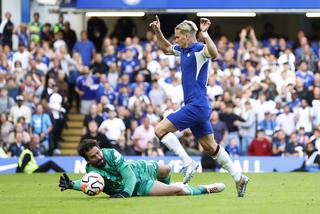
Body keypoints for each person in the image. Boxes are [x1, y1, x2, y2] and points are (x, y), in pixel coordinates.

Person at [149, 16, 249, 196]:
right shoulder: (183, 50)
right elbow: (165, 48)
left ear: (188, 36)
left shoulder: (199, 49)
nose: (175, 40)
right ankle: (238, 177)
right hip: (198, 107)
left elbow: (214, 53)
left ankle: (188, 163)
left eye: (178, 37)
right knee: (210, 147)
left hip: (196, 106)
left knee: (160, 130)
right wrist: (157, 31)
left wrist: (205, 34)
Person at [58, 139, 225, 198]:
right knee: (177, 191)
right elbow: (90, 184)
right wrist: (72, 185)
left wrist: (124, 194)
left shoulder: (111, 154)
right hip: (139, 185)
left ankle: (167, 184)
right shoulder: (92, 172)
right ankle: (204, 189)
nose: (98, 157)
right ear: (87, 160)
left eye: (98, 152)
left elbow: (128, 176)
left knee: (166, 169)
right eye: (93, 156)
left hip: (138, 169)